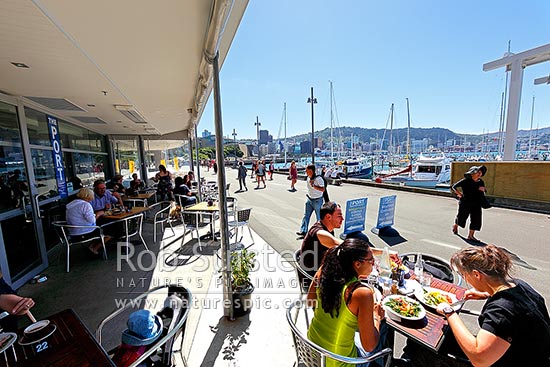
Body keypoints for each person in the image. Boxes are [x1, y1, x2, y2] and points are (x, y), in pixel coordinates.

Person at [403, 244, 550, 367]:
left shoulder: (502, 311)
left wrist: (449, 312)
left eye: (464, 275)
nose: (465, 279)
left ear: (477, 274)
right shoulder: (520, 286)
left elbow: (479, 358)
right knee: (440, 338)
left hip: (507, 361)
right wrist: (486, 293)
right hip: (534, 354)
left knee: (420, 350)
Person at [307, 239, 387, 367]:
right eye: (371, 260)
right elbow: (369, 346)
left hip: (312, 351)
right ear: (357, 264)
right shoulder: (361, 293)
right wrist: (376, 317)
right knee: (383, 329)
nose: (374, 264)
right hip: (338, 362)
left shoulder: (324, 271)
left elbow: (310, 302)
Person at [299, 201, 344, 276]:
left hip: (321, 270)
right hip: (311, 276)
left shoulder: (328, 229)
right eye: (339, 216)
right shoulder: (320, 233)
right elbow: (340, 245)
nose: (342, 219)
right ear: (328, 217)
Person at [66, 188, 110, 255]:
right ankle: (95, 249)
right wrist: (98, 214)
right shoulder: (85, 205)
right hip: (84, 233)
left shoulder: (70, 205)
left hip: (72, 233)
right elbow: (92, 220)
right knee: (110, 231)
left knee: (100, 228)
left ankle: (91, 246)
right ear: (89, 196)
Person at [451, 165, 487, 242]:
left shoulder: (481, 182)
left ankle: (471, 236)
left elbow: (483, 191)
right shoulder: (466, 181)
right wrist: (459, 194)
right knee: (461, 217)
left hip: (477, 203)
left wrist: (483, 189)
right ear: (472, 173)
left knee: (476, 219)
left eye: (480, 173)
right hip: (465, 202)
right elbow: (454, 186)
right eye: (477, 172)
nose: (479, 174)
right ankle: (456, 225)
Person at [296, 164, 325, 237]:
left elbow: (323, 189)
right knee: (306, 216)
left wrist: (314, 186)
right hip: (309, 199)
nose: (305, 171)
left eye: (307, 170)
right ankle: (303, 231)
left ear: (311, 171)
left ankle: (321, 233)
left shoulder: (318, 179)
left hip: (317, 200)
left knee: (319, 217)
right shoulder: (308, 178)